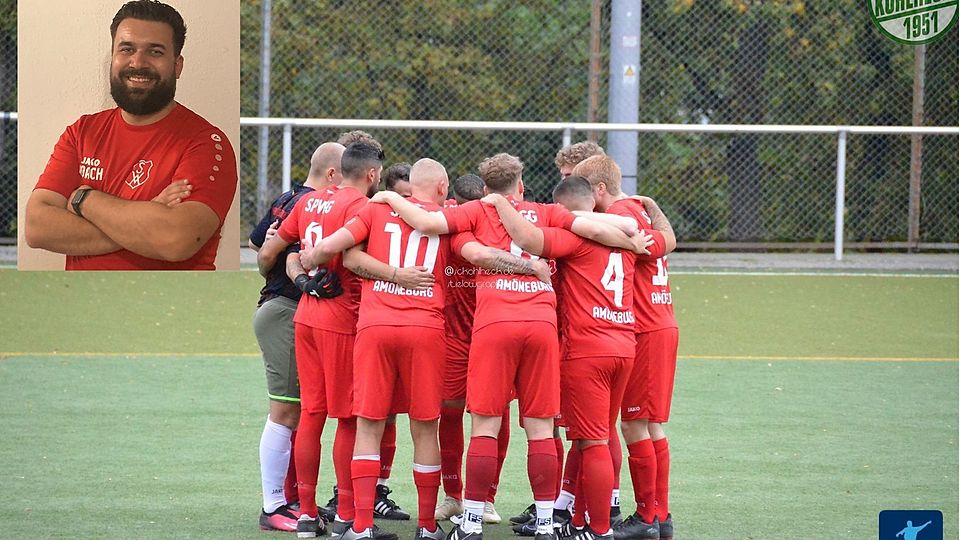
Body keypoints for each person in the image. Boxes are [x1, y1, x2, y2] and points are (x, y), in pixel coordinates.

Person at [369, 153, 649, 540]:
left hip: (495, 324)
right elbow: (601, 226)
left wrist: (387, 198)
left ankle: (469, 523)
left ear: (485, 189)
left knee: (485, 423)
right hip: (542, 325)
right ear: (521, 184)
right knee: (540, 428)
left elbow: (430, 223)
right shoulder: (546, 211)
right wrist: (632, 240)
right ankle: (549, 523)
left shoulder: (475, 212)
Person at [483, 175, 641, 540]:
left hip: (588, 349)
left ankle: (599, 530)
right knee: (601, 435)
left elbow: (527, 239)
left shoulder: (572, 239)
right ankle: (581, 516)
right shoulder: (630, 243)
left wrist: (500, 202)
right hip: (623, 344)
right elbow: (652, 238)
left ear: (565, 210)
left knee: (592, 441)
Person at [24, 0, 237, 270]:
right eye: (126, 49)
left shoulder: (206, 143)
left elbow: (176, 239)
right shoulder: (82, 132)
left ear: (177, 65)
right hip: (81, 299)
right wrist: (145, 220)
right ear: (113, 57)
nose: (138, 62)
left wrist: (83, 199)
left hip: (168, 304)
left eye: (155, 51)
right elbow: (37, 227)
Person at [256, 141, 388, 539]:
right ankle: (348, 515)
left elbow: (276, 252)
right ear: (372, 174)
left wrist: (301, 279)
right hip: (340, 318)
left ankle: (309, 515)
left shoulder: (309, 202)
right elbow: (352, 261)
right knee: (347, 417)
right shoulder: (361, 207)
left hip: (306, 315)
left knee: (312, 414)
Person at [573, 155, 678, 540]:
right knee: (649, 424)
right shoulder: (636, 208)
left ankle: (650, 516)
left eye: (587, 192)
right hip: (658, 323)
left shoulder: (619, 213)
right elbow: (669, 241)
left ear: (600, 189)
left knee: (635, 424)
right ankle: (659, 515)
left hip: (645, 328)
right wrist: (653, 205)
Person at [248, 142, 346, 532]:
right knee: (285, 411)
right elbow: (269, 255)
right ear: (332, 175)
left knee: (300, 410)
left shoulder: (288, 198)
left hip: (288, 310)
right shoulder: (310, 204)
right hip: (286, 310)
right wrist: (301, 277)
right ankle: (273, 506)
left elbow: (259, 244)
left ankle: (290, 501)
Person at [435, 174, 510, 526]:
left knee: (497, 415)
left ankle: (487, 498)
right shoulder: (445, 223)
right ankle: (453, 495)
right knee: (449, 411)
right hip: (452, 338)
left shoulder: (505, 223)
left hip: (493, 334)